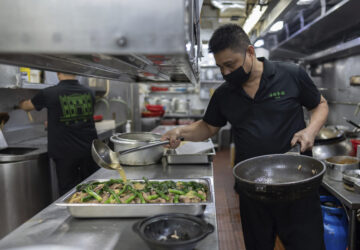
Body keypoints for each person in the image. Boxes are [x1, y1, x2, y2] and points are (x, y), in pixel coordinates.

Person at [162, 24, 329, 250]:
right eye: (221, 67)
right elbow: (208, 127)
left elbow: (319, 105)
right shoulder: (225, 93)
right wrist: (181, 132)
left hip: (297, 187)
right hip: (253, 190)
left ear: (250, 52)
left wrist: (310, 131)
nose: (226, 73)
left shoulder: (291, 74)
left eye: (230, 65)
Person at [19, 72, 99, 196]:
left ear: (58, 74)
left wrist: (21, 103)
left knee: (69, 192)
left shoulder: (49, 93)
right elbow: (78, 115)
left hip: (64, 152)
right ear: (75, 74)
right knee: (93, 188)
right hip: (88, 149)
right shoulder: (90, 92)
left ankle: (73, 214)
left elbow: (27, 106)